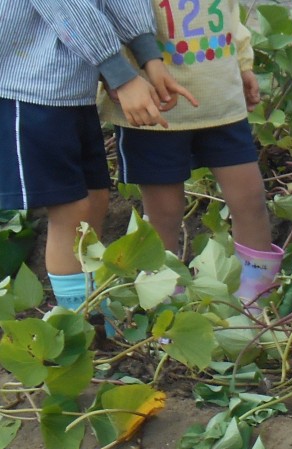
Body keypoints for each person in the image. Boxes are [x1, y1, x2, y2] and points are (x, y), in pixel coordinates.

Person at [0, 1, 194, 310]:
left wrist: (147, 55)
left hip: (72, 87)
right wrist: (120, 74)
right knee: (71, 210)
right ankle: (78, 318)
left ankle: (91, 301)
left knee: (94, 200)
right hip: (28, 85)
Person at [101, 0, 281, 308]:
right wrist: (114, 75)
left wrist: (243, 63)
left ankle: (255, 302)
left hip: (221, 102)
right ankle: (163, 303)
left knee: (250, 199)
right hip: (155, 111)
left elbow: (230, 14)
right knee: (164, 213)